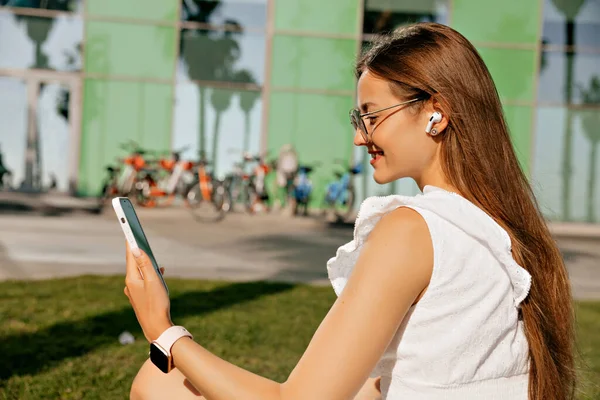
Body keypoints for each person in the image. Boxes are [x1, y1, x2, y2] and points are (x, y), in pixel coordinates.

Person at [122, 22, 575, 400]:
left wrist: (161, 329)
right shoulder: (501, 229)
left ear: (435, 113)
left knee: (159, 381)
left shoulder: (415, 232)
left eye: (371, 115)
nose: (360, 137)